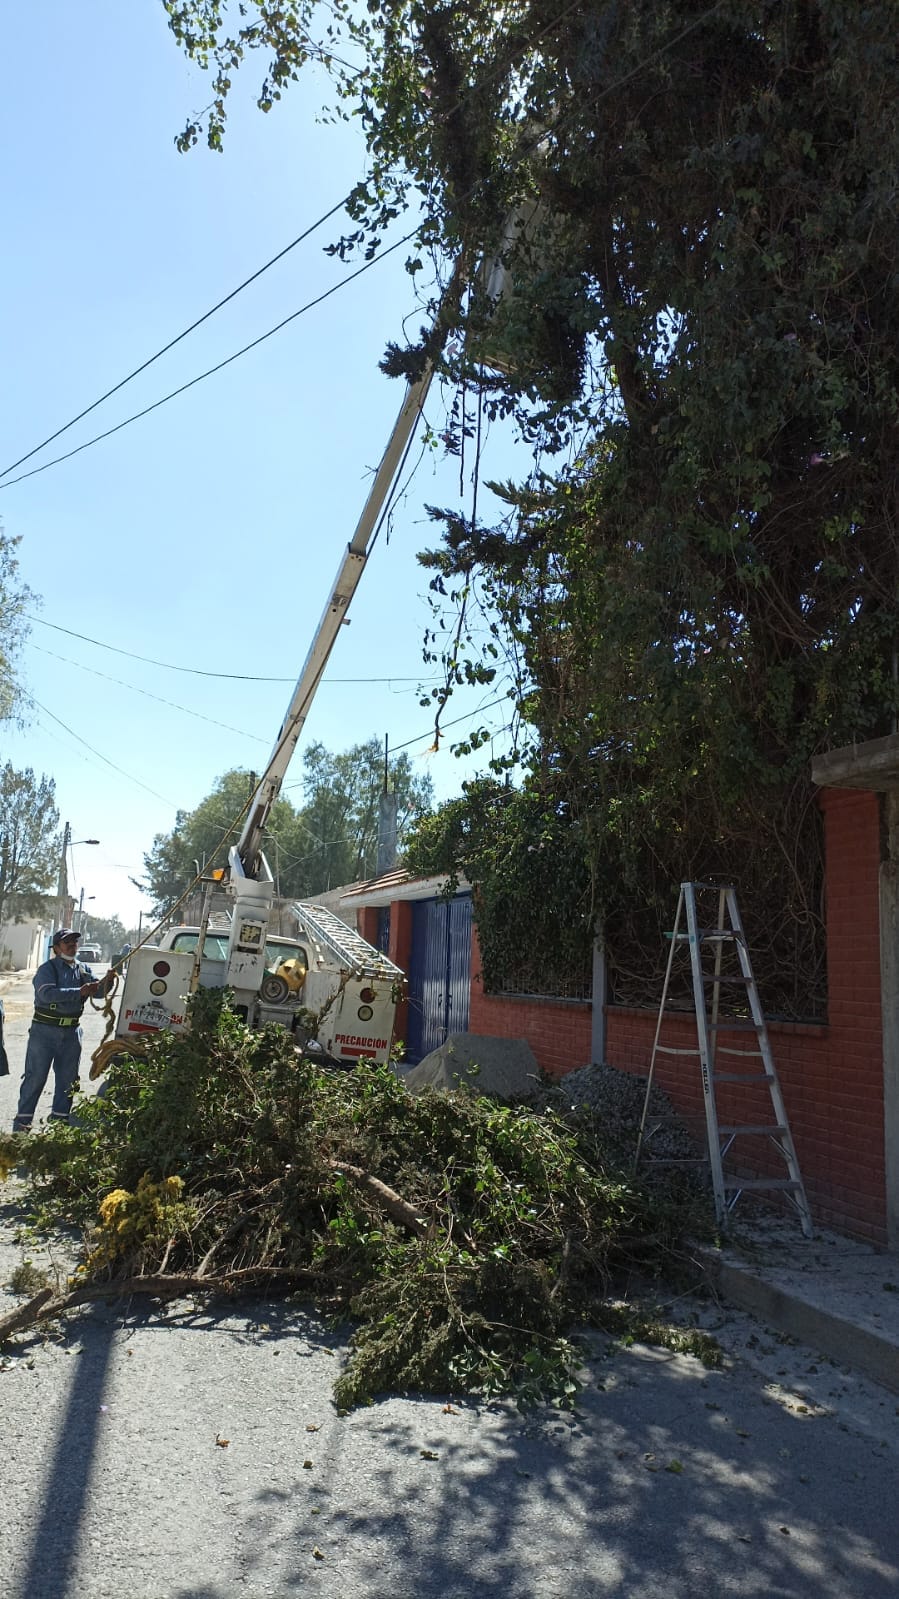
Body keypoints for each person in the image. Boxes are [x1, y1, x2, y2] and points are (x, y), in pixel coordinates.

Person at [12, 929, 115, 1133]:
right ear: (57, 948)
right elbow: (46, 994)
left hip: (71, 1033)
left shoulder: (83, 969)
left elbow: (99, 993)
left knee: (68, 1080)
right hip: (44, 1032)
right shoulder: (47, 969)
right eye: (67, 941)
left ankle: (59, 1128)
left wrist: (108, 981)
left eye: (75, 941)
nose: (72, 945)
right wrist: (80, 991)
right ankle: (21, 1129)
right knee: (35, 1079)